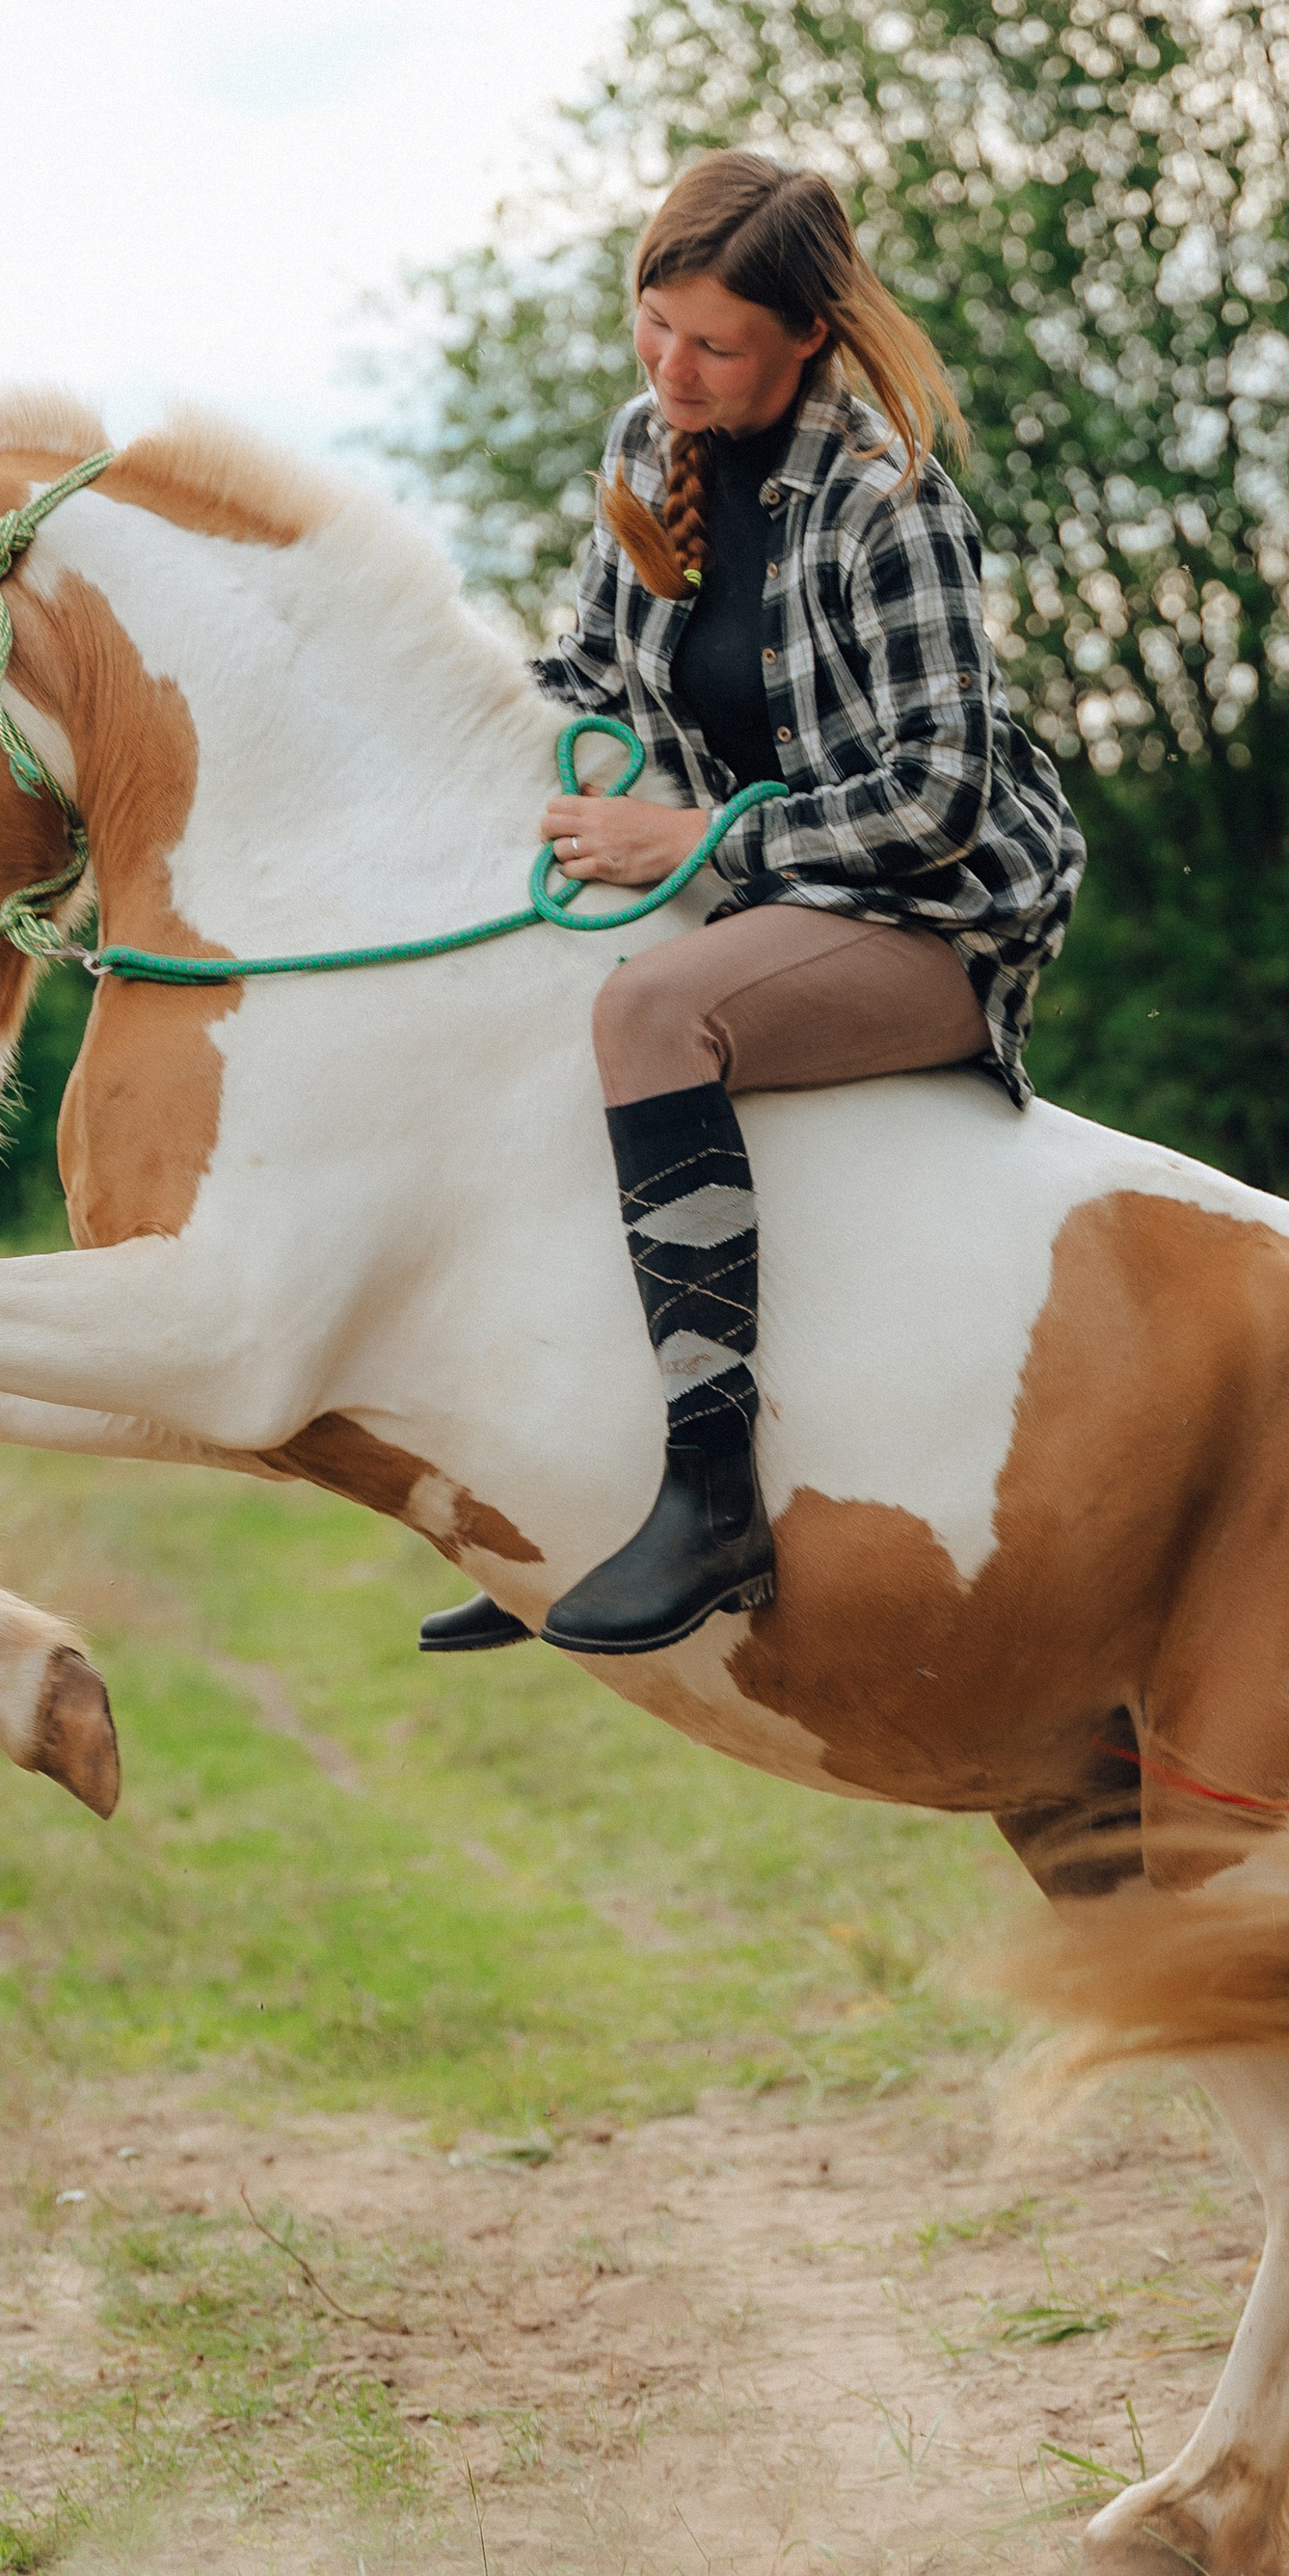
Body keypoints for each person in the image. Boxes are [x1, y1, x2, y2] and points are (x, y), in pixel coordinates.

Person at [424, 150, 1086, 1665]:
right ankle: (570, 1478)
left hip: (937, 915)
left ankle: (714, 1497)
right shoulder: (643, 441)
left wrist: (694, 848)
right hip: (760, 889)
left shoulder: (889, 503)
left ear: (808, 337)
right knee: (541, 999)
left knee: (651, 1009)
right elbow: (588, 682)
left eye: (715, 345)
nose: (674, 369)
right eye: (655, 327)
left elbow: (939, 800)